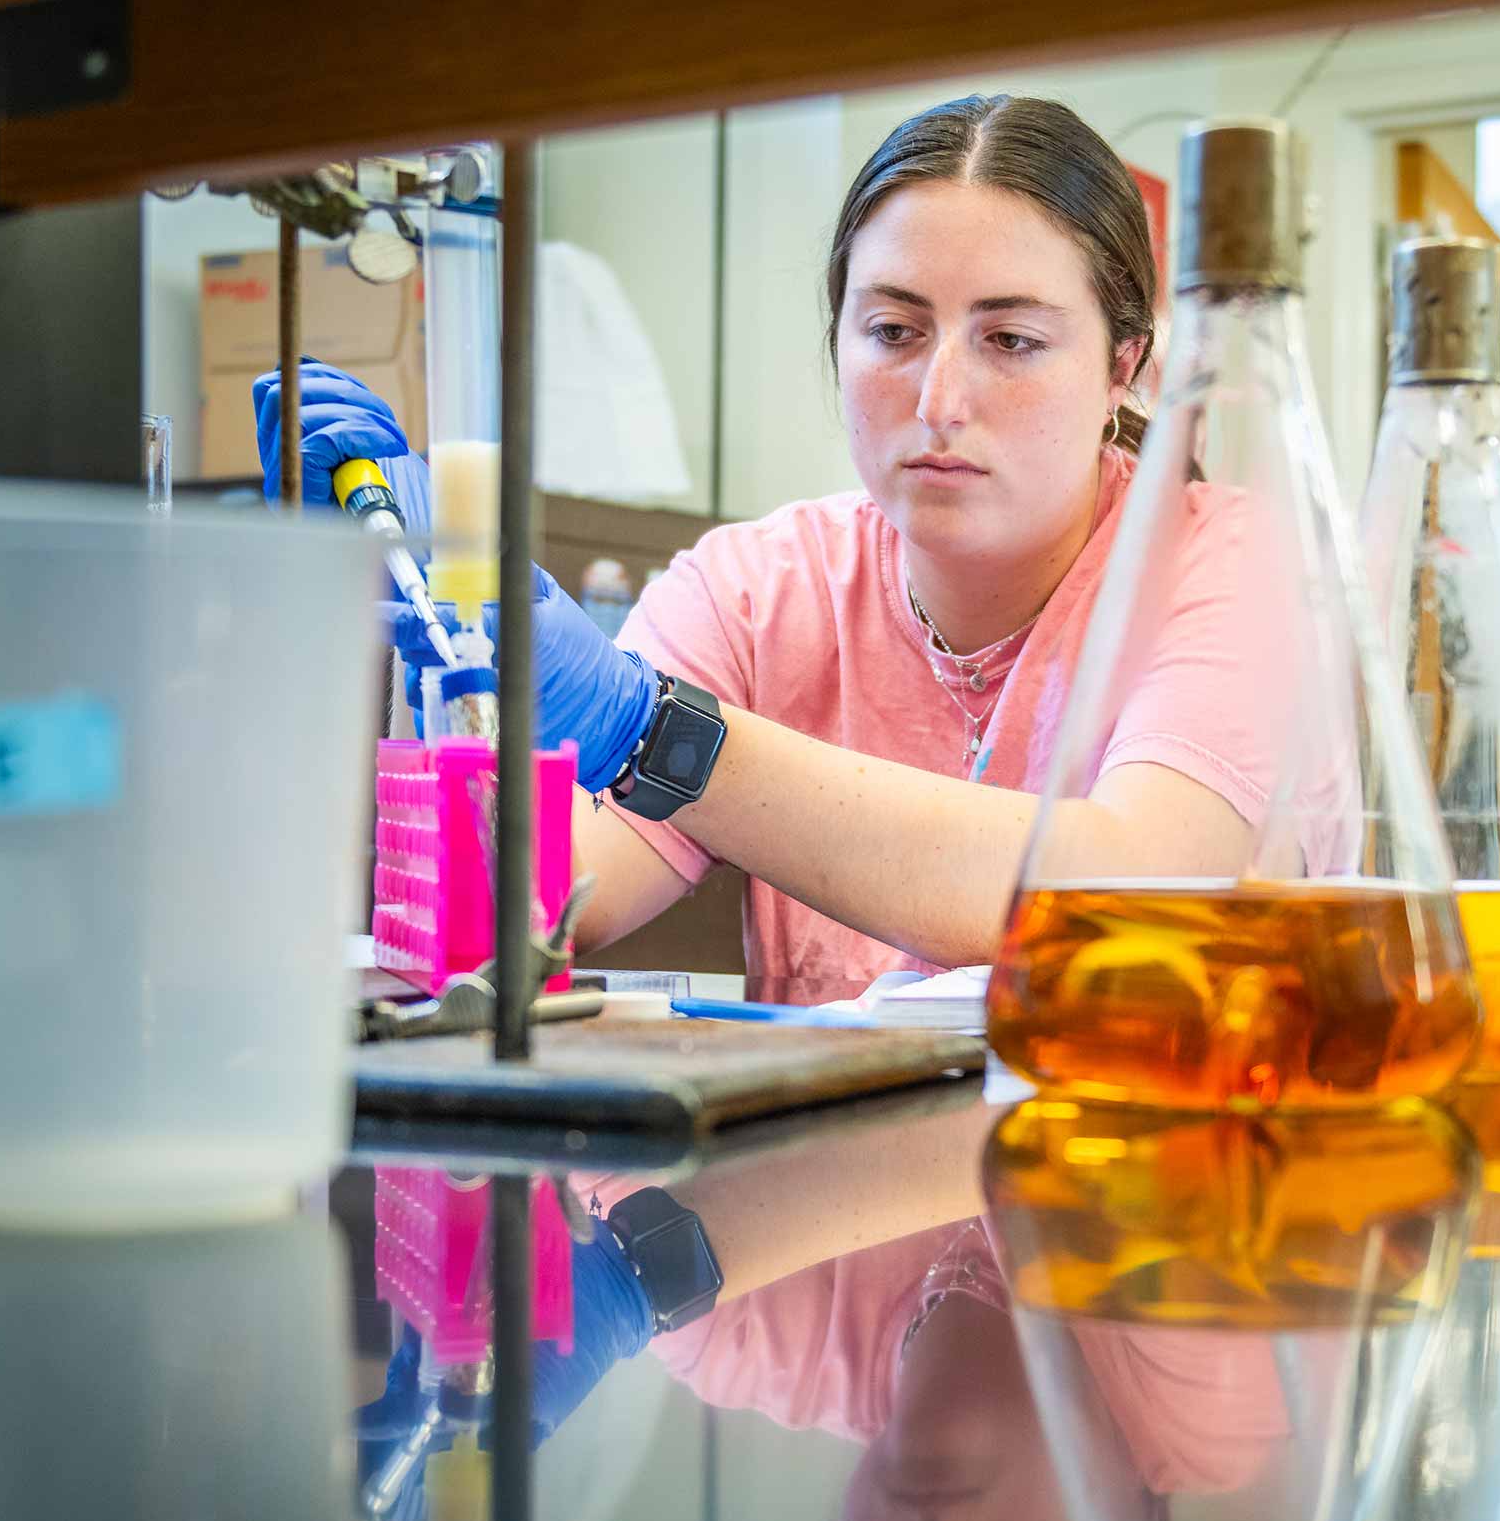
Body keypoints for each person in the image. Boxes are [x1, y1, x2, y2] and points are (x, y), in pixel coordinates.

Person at [261, 95, 1275, 982]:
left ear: (1123, 366)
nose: (939, 399)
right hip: (845, 1157)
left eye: (1011, 339)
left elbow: (1135, 894)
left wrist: (660, 736)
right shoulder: (754, 592)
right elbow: (522, 910)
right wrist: (425, 614)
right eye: (894, 331)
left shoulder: (1226, 564)